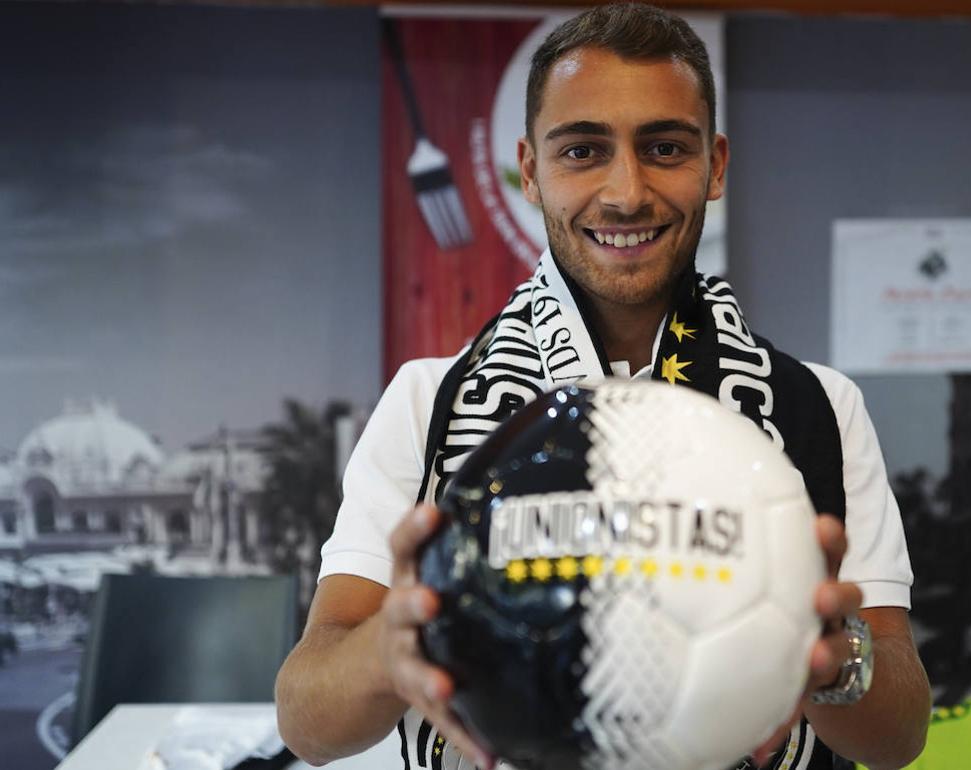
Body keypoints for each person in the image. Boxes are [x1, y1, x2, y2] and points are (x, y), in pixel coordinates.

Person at [275, 4, 930, 769]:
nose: (626, 193)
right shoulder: (429, 402)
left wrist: (833, 656)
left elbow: (900, 738)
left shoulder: (818, 405)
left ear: (716, 165)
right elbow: (307, 723)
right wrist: (389, 649)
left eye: (664, 148)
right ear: (530, 171)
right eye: (583, 150)